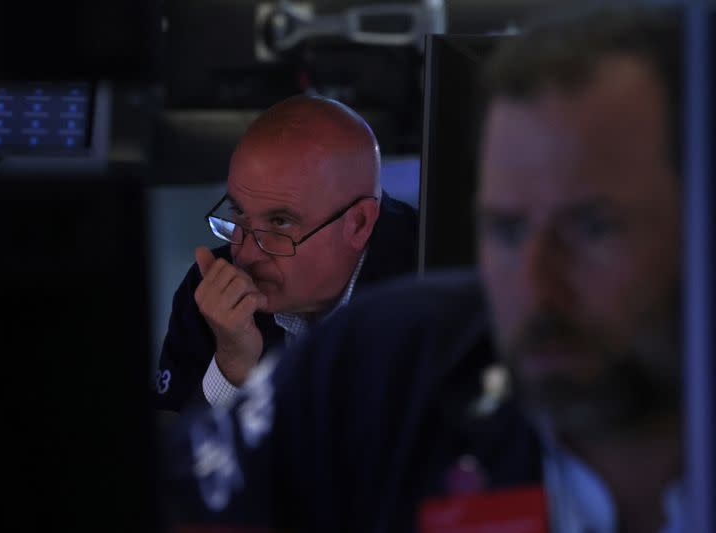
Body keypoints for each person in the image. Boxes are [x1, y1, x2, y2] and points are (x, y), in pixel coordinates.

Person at [161, 5, 685, 533]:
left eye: (592, 228)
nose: (532, 283)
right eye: (505, 230)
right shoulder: (398, 347)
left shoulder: (401, 309)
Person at [154, 95, 419, 410]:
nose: (246, 254)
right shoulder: (212, 294)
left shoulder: (429, 285)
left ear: (358, 224)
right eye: (238, 214)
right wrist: (232, 369)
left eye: (279, 223)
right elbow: (175, 450)